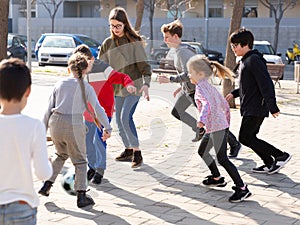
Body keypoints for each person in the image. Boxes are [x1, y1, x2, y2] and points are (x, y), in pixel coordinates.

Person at [38, 53, 112, 208]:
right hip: (74, 123)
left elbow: (47, 109)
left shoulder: (59, 84)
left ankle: (47, 185)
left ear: (69, 68)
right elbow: (98, 109)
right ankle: (81, 196)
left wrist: (43, 129)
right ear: (86, 70)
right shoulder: (87, 88)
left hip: (55, 123)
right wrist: (108, 127)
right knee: (80, 161)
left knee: (61, 155)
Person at [159, 20, 241, 156]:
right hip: (188, 89)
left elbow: (190, 73)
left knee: (214, 120)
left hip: (196, 91)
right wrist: (181, 87)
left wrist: (170, 79)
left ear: (175, 36)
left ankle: (234, 143)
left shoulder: (182, 52)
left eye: (167, 37)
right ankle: (199, 130)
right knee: (177, 111)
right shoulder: (179, 50)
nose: (165, 40)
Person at [226, 28, 291, 174]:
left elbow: (265, 83)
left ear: (245, 44)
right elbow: (249, 85)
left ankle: (280, 155)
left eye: (235, 45)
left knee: (245, 137)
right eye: (232, 46)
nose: (233, 49)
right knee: (249, 137)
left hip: (256, 106)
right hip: (250, 106)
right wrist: (234, 93)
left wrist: (272, 106)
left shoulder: (254, 60)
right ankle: (269, 162)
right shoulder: (245, 60)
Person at [187, 54, 251, 203]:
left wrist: (201, 121)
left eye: (191, 72)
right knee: (202, 151)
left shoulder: (201, 88)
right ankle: (216, 178)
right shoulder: (208, 86)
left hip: (216, 127)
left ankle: (242, 188)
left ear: (201, 74)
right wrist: (225, 122)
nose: (189, 75)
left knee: (222, 158)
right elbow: (223, 104)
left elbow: (207, 106)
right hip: (217, 126)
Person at [73, 44, 136, 184]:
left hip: (103, 111)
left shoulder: (103, 68)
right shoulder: (79, 70)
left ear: (92, 58)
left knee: (99, 140)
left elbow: (122, 77)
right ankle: (92, 167)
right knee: (87, 141)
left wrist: (129, 84)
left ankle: (100, 170)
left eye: (85, 63)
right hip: (87, 113)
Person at [0, 58, 53, 224]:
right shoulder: (34, 126)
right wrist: (48, 163)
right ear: (28, 91)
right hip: (22, 205)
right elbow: (43, 173)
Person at [99, 7, 151, 168]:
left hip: (133, 87)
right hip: (116, 89)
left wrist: (146, 85)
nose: (115, 29)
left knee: (125, 118)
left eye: (118, 26)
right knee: (119, 123)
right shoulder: (107, 43)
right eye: (112, 26)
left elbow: (145, 66)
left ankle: (137, 152)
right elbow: (101, 66)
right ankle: (128, 150)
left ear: (125, 25)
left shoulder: (134, 42)